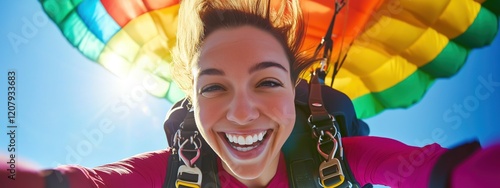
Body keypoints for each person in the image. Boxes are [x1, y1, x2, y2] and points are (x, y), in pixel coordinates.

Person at [2, 0, 499, 187]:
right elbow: (69, 183)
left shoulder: (338, 156)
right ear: (192, 104)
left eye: (266, 82)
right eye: (214, 87)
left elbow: (446, 173)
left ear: (296, 94)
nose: (242, 112)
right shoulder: (178, 169)